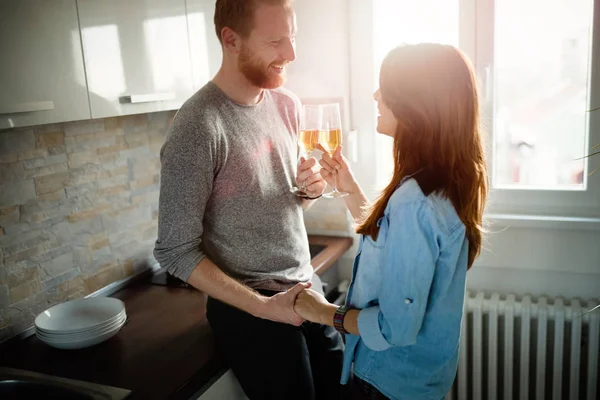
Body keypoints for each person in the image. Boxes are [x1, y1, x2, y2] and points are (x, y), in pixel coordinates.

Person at [153, 0, 344, 399]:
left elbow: (280, 204)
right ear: (230, 39)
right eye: (276, 41)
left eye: (292, 38)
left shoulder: (286, 104)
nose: (290, 54)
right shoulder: (199, 126)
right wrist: (262, 306)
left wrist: (309, 191)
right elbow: (174, 250)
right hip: (251, 310)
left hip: (306, 287)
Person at [294, 43, 489, 400]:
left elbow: (393, 328)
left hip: (386, 383)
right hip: (417, 381)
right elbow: (395, 246)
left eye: (387, 87)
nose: (375, 95)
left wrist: (323, 312)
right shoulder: (442, 183)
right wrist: (350, 189)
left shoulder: (414, 202)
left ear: (417, 105)